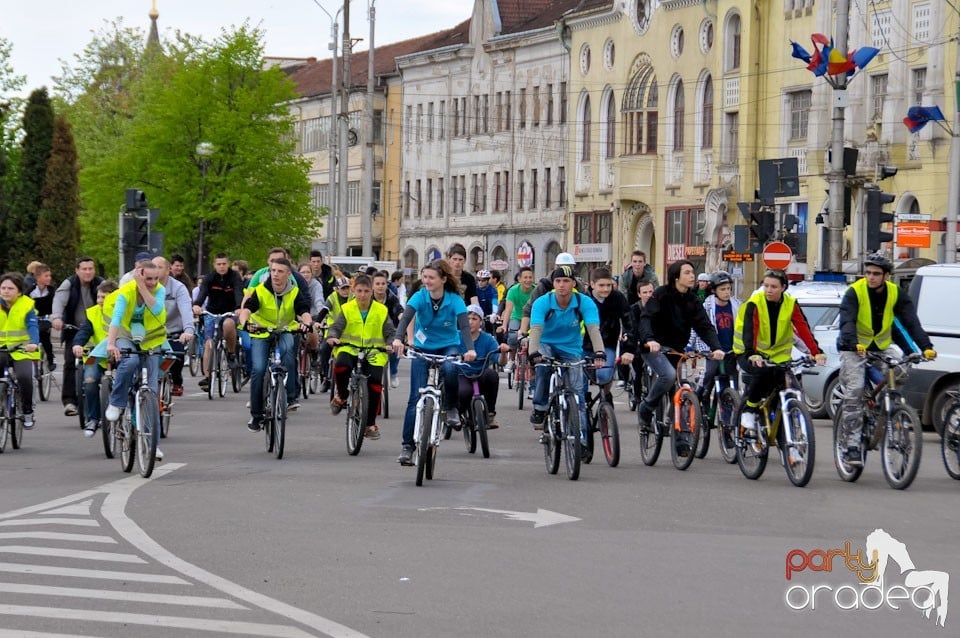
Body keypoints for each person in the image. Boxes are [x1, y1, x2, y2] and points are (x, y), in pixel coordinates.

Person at [836, 253, 936, 465]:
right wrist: (853, 343)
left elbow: (911, 323)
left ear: (887, 276)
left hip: (881, 348)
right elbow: (847, 321)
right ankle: (851, 446)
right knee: (854, 390)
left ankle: (887, 408)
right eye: (868, 272)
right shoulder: (854, 292)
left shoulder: (896, 293)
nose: (871, 277)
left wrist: (925, 347)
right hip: (853, 348)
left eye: (876, 274)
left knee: (900, 373)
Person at [632, 260, 725, 456]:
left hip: (677, 349)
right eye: (688, 272)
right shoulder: (661, 295)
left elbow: (704, 326)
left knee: (685, 388)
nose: (692, 276)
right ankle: (647, 407)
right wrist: (650, 340)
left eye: (693, 272)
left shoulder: (692, 300)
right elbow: (646, 318)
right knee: (666, 375)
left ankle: (682, 440)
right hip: (654, 348)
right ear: (676, 277)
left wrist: (716, 348)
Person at [392, 259, 476, 466]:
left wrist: (470, 349)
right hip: (423, 346)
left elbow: (464, 327)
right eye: (424, 277)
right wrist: (397, 338)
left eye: (431, 277)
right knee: (414, 399)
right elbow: (406, 318)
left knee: (449, 367)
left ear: (443, 280)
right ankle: (407, 448)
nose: (426, 281)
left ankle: (451, 408)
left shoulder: (454, 299)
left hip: (449, 345)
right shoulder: (420, 296)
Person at [733, 269, 827, 443]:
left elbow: (803, 329)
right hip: (750, 352)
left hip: (778, 357)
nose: (768, 290)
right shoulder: (755, 303)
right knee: (762, 374)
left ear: (783, 288)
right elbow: (749, 332)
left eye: (773, 287)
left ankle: (789, 436)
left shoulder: (791, 304)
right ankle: (749, 411)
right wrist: (752, 354)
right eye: (766, 285)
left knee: (792, 389)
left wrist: (816, 352)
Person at [97, 261, 168, 461]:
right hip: (126, 336)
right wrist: (111, 344)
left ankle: (153, 444)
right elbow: (117, 319)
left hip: (152, 340)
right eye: (148, 278)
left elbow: (156, 310)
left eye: (156, 278)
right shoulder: (126, 292)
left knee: (151, 393)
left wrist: (144, 287)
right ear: (138, 275)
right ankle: (117, 402)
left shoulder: (158, 291)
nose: (153, 282)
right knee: (129, 362)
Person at [237, 258, 314, 431]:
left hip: (286, 330)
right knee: (258, 368)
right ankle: (256, 415)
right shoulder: (261, 290)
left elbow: (303, 310)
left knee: (288, 352)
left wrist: (306, 323)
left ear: (288, 274)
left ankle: (287, 394)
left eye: (280, 271)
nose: (276, 274)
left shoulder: (294, 292)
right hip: (262, 331)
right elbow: (247, 309)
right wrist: (246, 323)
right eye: (273, 271)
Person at [527, 266, 606, 435]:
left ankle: (582, 440)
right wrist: (533, 352)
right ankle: (540, 407)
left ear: (574, 284)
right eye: (558, 281)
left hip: (571, 347)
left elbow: (593, 328)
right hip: (545, 343)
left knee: (578, 394)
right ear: (553, 283)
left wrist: (599, 352)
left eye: (566, 281)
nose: (562, 285)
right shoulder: (543, 302)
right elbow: (536, 329)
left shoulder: (584, 302)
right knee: (543, 368)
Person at [326, 274, 395, 440]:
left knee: (375, 384)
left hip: (374, 352)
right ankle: (342, 396)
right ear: (353, 291)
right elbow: (336, 327)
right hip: (350, 349)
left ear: (371, 292)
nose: (362, 295)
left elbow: (390, 332)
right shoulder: (347, 309)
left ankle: (369, 424)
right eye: (359, 291)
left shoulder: (381, 310)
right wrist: (332, 337)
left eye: (366, 291)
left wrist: (390, 343)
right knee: (341, 365)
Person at [51, 257, 104, 417]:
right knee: (69, 363)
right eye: (84, 269)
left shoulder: (101, 284)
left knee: (104, 363)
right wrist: (57, 318)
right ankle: (69, 402)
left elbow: (113, 299)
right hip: (73, 329)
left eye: (90, 269)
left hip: (96, 330)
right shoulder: (69, 284)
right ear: (77, 270)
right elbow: (59, 301)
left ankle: (106, 395)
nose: (88, 272)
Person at [72, 280, 119, 436]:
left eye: (104, 297)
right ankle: (93, 418)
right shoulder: (93, 312)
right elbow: (84, 331)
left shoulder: (123, 311)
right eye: (99, 297)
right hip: (97, 355)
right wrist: (78, 344)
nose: (100, 301)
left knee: (132, 380)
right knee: (90, 381)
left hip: (119, 354)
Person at [193, 253, 245, 393]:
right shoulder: (210, 278)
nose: (221, 267)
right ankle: (207, 377)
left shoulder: (234, 277)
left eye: (224, 264)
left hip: (229, 311)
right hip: (212, 312)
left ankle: (231, 353)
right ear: (214, 265)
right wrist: (197, 304)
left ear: (228, 264)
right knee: (209, 343)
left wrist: (238, 307)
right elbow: (202, 292)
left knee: (228, 325)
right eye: (218, 264)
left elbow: (238, 292)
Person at [691, 271, 741, 405]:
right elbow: (697, 326)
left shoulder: (736, 305)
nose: (727, 292)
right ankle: (697, 396)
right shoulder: (707, 306)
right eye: (722, 289)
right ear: (713, 290)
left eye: (729, 289)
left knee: (733, 384)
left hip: (731, 352)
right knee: (709, 373)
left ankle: (729, 418)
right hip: (712, 351)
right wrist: (691, 345)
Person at [0, 272, 42, 429]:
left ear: (19, 291)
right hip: (1, 348)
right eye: (3, 288)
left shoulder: (26, 305)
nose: (5, 291)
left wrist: (33, 342)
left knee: (25, 377)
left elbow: (32, 327)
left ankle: (27, 411)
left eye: (10, 288)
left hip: (22, 349)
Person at [458, 304, 509, 428]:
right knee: (465, 392)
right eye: (467, 319)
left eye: (474, 319)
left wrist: (502, 352)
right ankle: (458, 413)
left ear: (481, 322)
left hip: (480, 374)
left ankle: (490, 414)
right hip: (462, 374)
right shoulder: (456, 337)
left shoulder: (488, 339)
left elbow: (501, 362)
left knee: (492, 375)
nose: (470, 322)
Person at [585, 267, 631, 400]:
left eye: (609, 285)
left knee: (605, 376)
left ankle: (605, 397)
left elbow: (629, 321)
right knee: (579, 383)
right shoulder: (584, 299)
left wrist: (628, 347)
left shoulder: (617, 298)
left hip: (607, 343)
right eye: (601, 285)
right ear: (592, 284)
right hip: (584, 345)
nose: (606, 289)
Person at [153, 257, 196, 396]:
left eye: (159, 267)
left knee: (177, 356)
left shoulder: (178, 288)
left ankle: (177, 382)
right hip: (151, 333)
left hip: (173, 331)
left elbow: (186, 310)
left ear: (168, 270)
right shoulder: (145, 286)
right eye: (153, 267)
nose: (155, 270)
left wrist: (188, 330)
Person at [318, 276, 353, 392]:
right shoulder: (332, 298)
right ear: (336, 289)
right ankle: (326, 378)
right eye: (343, 288)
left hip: (349, 331)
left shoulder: (353, 298)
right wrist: (318, 322)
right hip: (332, 331)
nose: (345, 291)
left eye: (347, 288)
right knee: (324, 349)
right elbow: (324, 310)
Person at [499, 266, 535, 373]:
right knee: (512, 336)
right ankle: (511, 359)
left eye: (530, 277)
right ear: (519, 279)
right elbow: (508, 310)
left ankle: (530, 360)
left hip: (531, 318)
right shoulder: (513, 291)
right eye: (525, 277)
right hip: (516, 316)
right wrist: (504, 326)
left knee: (532, 338)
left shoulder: (536, 290)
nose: (528, 280)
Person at [372, 270, 403, 387]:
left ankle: (393, 372)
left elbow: (399, 310)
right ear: (372, 286)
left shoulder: (392, 298)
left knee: (396, 347)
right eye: (377, 284)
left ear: (387, 285)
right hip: (372, 331)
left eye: (383, 284)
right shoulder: (367, 298)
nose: (380, 286)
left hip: (390, 330)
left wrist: (402, 318)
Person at [27, 263, 56, 372]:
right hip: (34, 317)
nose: (49, 278)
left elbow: (56, 305)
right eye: (46, 276)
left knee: (45, 337)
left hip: (47, 318)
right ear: (38, 278)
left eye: (49, 276)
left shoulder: (52, 291)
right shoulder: (30, 291)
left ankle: (50, 358)